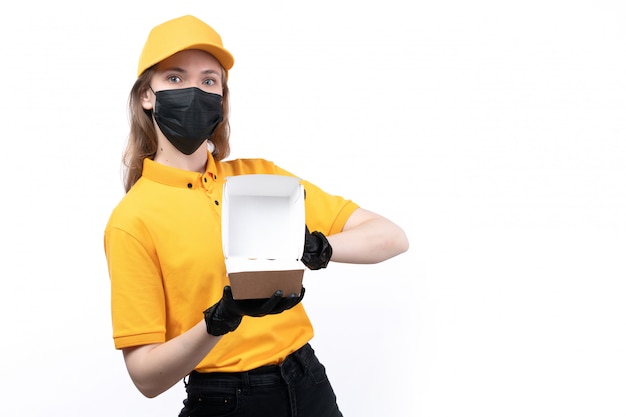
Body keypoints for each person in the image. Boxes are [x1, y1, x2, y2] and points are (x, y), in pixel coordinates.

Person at [104, 14, 409, 417]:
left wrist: (317, 247)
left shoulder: (262, 178)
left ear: (222, 98)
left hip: (309, 383)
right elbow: (145, 376)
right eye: (175, 78)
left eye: (209, 80)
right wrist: (220, 321)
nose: (195, 90)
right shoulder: (132, 220)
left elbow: (391, 237)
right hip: (224, 401)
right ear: (147, 94)